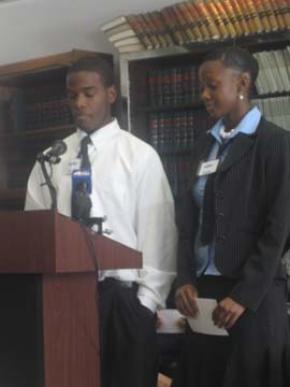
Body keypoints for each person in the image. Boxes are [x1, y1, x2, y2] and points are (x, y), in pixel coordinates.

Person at [25, 56, 177, 387]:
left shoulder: (139, 155)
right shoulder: (52, 158)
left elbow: (159, 232)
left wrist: (146, 303)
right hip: (64, 296)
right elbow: (34, 231)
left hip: (122, 298)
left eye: (89, 93)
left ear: (110, 93)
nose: (79, 103)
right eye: (72, 95)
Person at [173, 46, 290, 387]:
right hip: (204, 296)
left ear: (242, 82)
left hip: (252, 295)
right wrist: (184, 279)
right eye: (202, 87)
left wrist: (243, 295)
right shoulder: (202, 147)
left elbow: (279, 229)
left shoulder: (276, 144)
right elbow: (188, 222)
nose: (204, 95)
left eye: (211, 85)